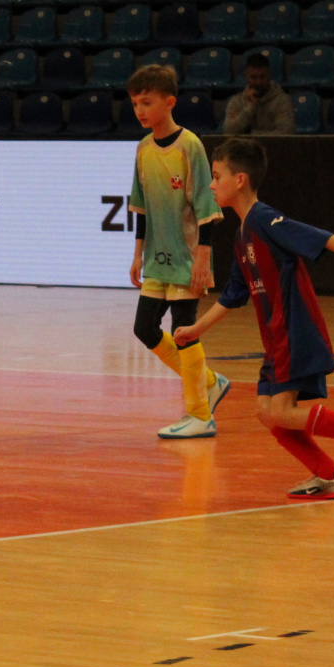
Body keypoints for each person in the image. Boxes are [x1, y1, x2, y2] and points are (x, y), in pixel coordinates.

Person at [173, 137, 334, 500]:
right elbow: (232, 296)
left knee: (280, 410)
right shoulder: (242, 234)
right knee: (267, 412)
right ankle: (328, 475)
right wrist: (196, 329)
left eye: (216, 177)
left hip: (295, 329)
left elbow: (321, 238)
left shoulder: (264, 219)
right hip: (276, 337)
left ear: (240, 180)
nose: (211, 185)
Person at [125, 63, 232, 440]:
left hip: (188, 256)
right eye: (135, 103)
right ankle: (210, 382)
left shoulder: (190, 146)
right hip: (157, 258)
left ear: (169, 102)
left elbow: (206, 206)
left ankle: (200, 415)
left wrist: (203, 257)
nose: (140, 110)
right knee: (144, 328)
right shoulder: (142, 149)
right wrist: (138, 253)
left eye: (147, 102)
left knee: (183, 331)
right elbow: (140, 205)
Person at [221, 51, 296, 136]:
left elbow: (286, 133)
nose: (258, 82)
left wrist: (252, 134)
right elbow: (228, 132)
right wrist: (250, 107)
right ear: (246, 76)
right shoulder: (236, 102)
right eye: (253, 77)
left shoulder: (282, 101)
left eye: (262, 76)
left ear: (270, 74)